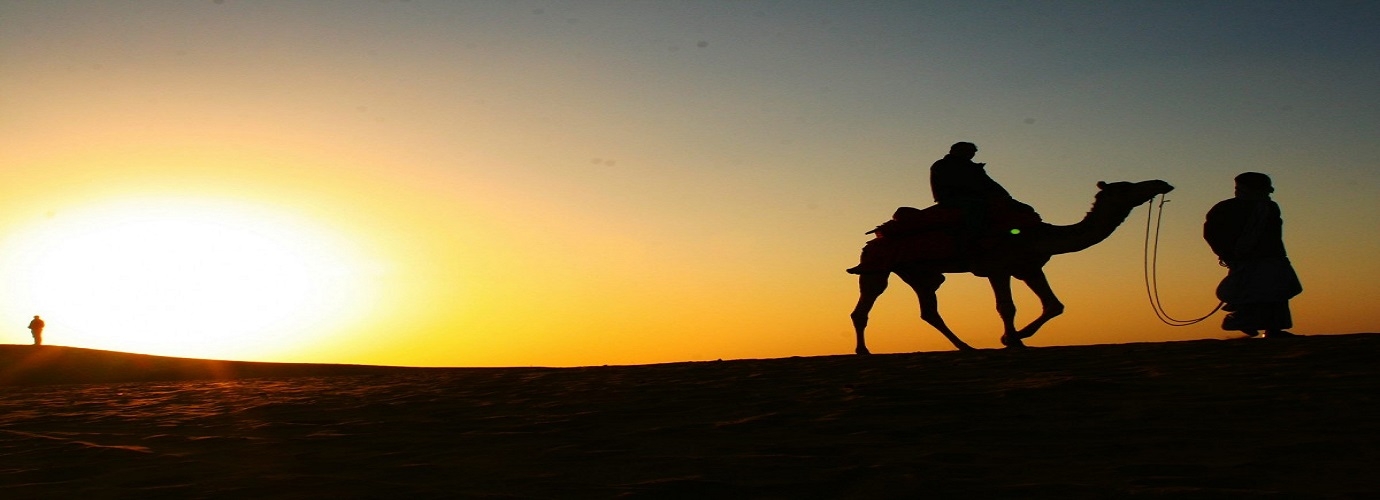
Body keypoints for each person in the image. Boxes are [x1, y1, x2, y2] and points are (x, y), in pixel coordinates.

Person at [1204, 172, 1302, 338]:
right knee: (1255, 292)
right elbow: (1212, 233)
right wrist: (1227, 254)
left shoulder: (1267, 207)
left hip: (1271, 257)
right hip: (1249, 259)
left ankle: (1271, 328)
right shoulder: (1227, 208)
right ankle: (1245, 321)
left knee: (1275, 291)